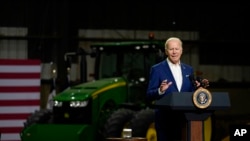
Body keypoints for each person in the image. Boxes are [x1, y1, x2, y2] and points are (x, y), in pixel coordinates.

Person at [146, 37, 209, 141]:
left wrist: (199, 88)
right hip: (165, 121)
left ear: (181, 50)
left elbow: (191, 94)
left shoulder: (189, 69)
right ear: (166, 51)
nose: (174, 52)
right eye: (171, 49)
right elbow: (149, 95)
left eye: (177, 49)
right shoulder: (157, 69)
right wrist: (160, 90)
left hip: (184, 121)